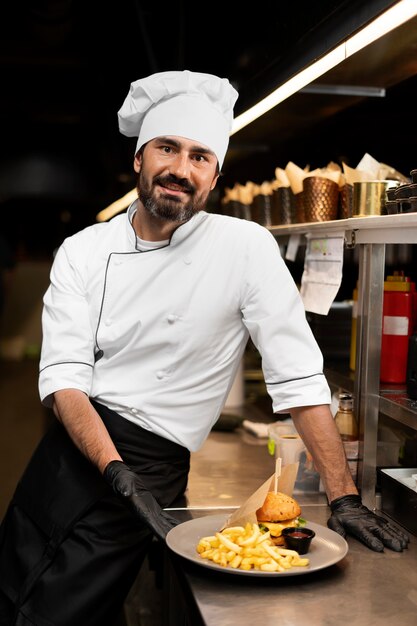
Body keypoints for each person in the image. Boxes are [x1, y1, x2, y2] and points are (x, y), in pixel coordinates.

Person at [0, 70, 408, 625]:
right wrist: (116, 472)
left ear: (215, 175)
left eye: (199, 156)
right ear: (139, 160)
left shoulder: (245, 248)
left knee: (69, 610)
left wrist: (343, 497)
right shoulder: (83, 251)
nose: (180, 169)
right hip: (75, 449)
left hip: (157, 465)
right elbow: (66, 377)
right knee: (13, 586)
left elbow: (298, 377)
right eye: (167, 148)